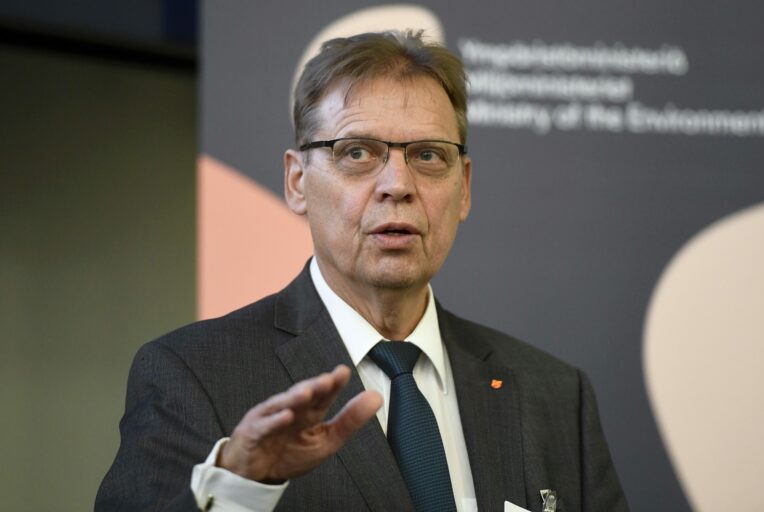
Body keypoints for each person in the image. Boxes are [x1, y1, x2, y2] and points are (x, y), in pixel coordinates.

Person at [96, 30, 628, 512]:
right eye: (357, 152)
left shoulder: (554, 395)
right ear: (297, 182)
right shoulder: (195, 374)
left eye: (428, 156)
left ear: (464, 187)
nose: (398, 184)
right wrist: (239, 488)